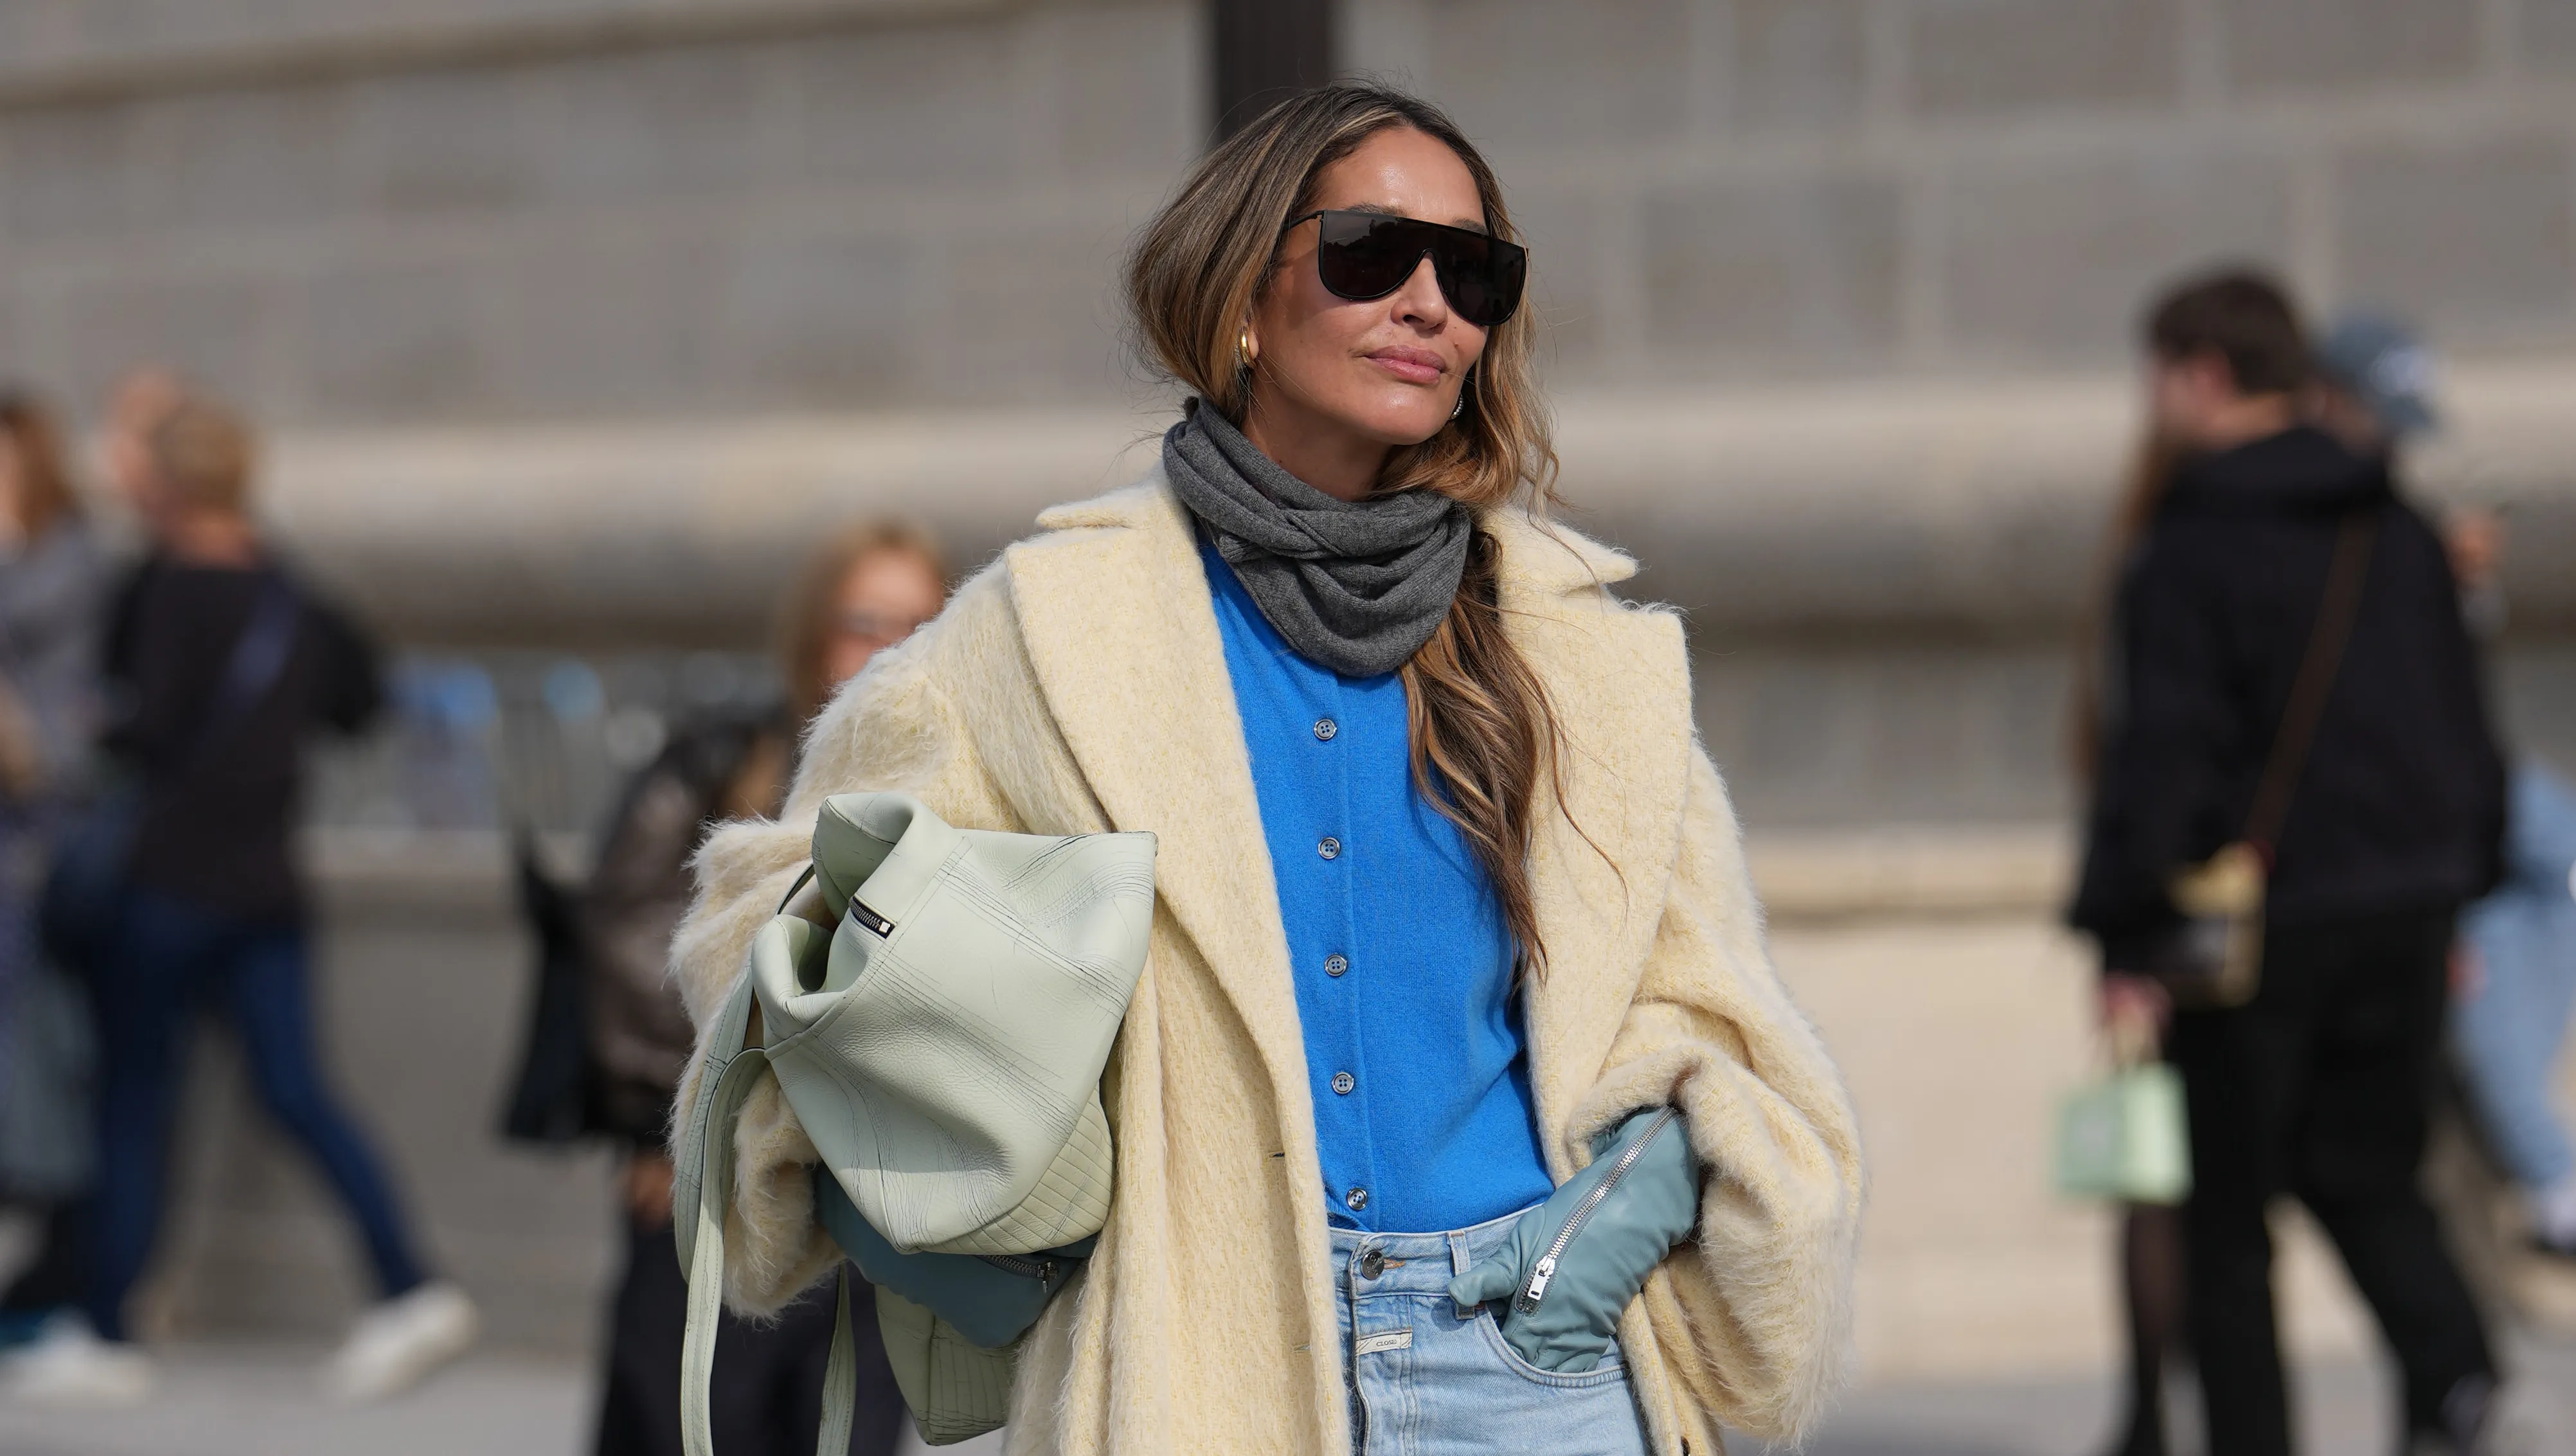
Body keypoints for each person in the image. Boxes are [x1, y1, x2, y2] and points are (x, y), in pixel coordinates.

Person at [666, 84, 1863, 1455]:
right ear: (1243, 292)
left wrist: (1588, 1255)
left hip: (1540, 1374)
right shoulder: (1053, 630)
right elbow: (783, 911)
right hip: (1193, 1360)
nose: (1428, 305)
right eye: (1371, 253)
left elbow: (1700, 1011)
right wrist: (978, 1040)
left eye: (1471, 275)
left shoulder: (1578, 651)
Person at [2071, 273, 2530, 1455]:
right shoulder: (2403, 525)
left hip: (2254, 929)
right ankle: (2453, 1363)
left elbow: (2161, 754)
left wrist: (2127, 929)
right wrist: (2465, 882)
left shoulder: (2191, 541)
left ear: (2203, 373)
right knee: (2372, 1171)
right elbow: (2466, 728)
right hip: (2411, 904)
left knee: (2227, 1226)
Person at [1, 395, 476, 1405]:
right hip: (268, 886)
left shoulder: (158, 590)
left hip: (167, 884)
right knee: (297, 1091)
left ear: (167, 488)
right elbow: (358, 701)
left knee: (135, 1104)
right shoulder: (289, 595)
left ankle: (107, 1323)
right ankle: (407, 1283)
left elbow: (129, 726)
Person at [584, 520, 943, 1456]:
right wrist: (669, 1126)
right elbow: (633, 948)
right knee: (697, 1420)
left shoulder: (961, 787)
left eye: (918, 621)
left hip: (874, 1190)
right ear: (813, 631)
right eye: (864, 620)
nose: (888, 649)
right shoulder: (724, 759)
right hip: (719, 1175)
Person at [2316, 312, 2576, 1264]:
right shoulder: (2332, 530)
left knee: (2522, 922)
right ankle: (2552, 1173)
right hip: (2411, 834)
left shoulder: (2395, 530)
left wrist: (2461, 594)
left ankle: (2546, 1164)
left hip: (2458, 818)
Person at [0, 391, 109, 1344]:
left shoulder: (65, 567)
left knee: (43, 1072)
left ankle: (54, 1293)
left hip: (43, 861)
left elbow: (60, 741)